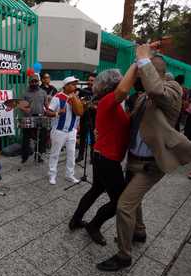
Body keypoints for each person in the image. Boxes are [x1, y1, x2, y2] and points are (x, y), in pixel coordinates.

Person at [97, 44, 191, 271]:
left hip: (152, 164)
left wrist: (143, 59)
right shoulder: (144, 95)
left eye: (139, 71)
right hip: (134, 159)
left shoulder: (172, 89)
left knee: (124, 205)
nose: (136, 76)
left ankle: (124, 256)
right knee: (134, 200)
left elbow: (156, 91)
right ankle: (139, 231)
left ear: (152, 72)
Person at [69, 67, 135, 246]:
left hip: (103, 156)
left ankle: (75, 220)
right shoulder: (108, 100)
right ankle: (94, 225)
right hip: (107, 159)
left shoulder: (112, 103)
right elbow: (122, 90)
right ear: (114, 83)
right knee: (119, 201)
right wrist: (137, 63)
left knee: (96, 189)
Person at [45, 76, 82, 185]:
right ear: (65, 86)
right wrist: (57, 113)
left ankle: (69, 175)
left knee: (71, 153)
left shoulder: (75, 97)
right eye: (72, 84)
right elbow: (48, 112)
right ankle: (52, 175)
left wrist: (77, 125)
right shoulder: (58, 97)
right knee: (55, 154)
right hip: (59, 131)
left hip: (72, 131)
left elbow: (78, 113)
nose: (75, 86)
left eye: (75, 84)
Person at [19, 74, 48, 163]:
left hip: (40, 117)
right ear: (29, 82)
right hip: (28, 117)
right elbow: (20, 105)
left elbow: (46, 105)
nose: (34, 83)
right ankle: (25, 156)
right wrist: (24, 109)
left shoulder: (43, 92)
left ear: (38, 82)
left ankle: (38, 156)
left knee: (42, 137)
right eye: (32, 81)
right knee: (26, 138)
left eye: (36, 81)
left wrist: (49, 112)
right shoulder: (25, 93)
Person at [76, 72, 97, 163]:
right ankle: (80, 156)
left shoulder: (99, 91)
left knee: (93, 139)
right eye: (88, 80)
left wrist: (93, 106)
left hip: (94, 118)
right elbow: (79, 103)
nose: (90, 82)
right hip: (84, 117)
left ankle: (93, 157)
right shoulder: (83, 91)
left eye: (92, 80)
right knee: (83, 138)